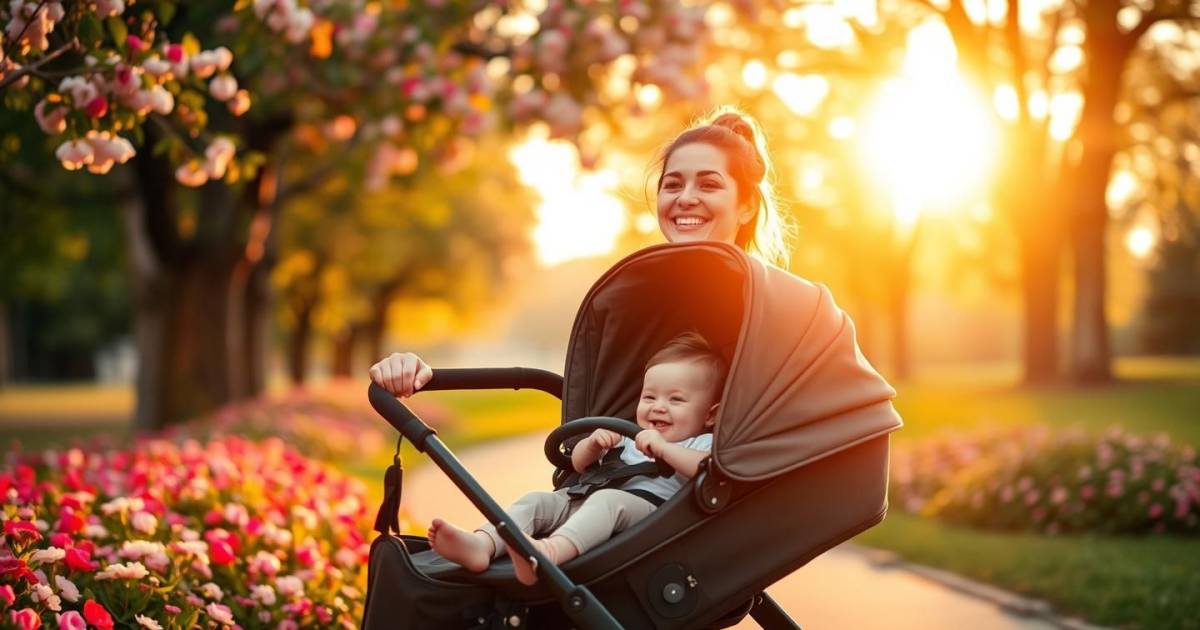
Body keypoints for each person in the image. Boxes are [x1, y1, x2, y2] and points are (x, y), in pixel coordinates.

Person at [367, 106, 790, 399]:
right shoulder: (638, 301)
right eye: (673, 184)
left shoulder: (772, 313)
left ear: (748, 204)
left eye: (709, 184)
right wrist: (413, 369)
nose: (685, 198)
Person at [424, 331, 726, 585]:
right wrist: (593, 445)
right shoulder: (630, 434)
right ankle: (483, 544)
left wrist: (663, 449)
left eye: (676, 399)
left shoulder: (700, 442)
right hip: (586, 498)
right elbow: (580, 465)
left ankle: (548, 555)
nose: (659, 407)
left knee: (608, 501)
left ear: (710, 414)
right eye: (650, 397)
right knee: (537, 501)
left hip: (650, 516)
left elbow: (706, 470)